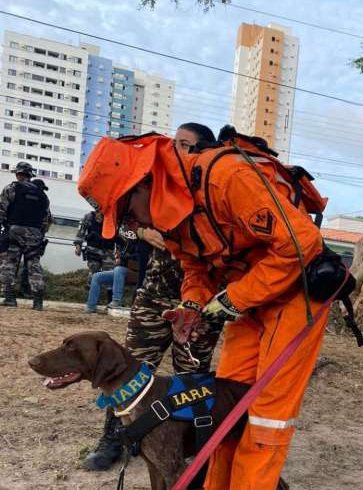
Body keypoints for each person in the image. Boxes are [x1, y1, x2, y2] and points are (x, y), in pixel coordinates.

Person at [78, 126, 328, 489]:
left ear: (145, 184)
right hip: (250, 301)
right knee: (225, 408)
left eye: (128, 214)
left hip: (295, 294)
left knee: (265, 417)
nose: (135, 226)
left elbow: (302, 245)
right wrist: (192, 304)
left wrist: (233, 299)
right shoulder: (173, 212)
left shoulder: (227, 178)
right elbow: (196, 267)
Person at [81, 123, 225, 472]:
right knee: (125, 368)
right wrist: (144, 230)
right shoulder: (154, 184)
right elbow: (114, 218)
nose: (175, 148)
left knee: (190, 377)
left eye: (184, 144)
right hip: (155, 295)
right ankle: (115, 438)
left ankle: (185, 440)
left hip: (201, 305)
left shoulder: (210, 191)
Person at [0, 162, 51, 310]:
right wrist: (38, 234)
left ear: (18, 174)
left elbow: (1, 210)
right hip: (34, 235)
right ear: (30, 175)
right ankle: (38, 301)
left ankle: (9, 298)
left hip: (14, 232)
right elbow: (45, 220)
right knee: (34, 267)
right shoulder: (43, 195)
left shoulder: (11, 188)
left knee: (8, 264)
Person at [19, 179, 51, 298]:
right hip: (34, 237)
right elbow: (46, 223)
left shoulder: (21, 196)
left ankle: (10, 292)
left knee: (12, 264)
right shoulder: (43, 200)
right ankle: (28, 293)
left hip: (16, 234)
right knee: (31, 265)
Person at [74, 211, 115, 288]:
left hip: (108, 250)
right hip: (93, 249)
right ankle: (90, 293)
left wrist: (119, 250)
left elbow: (118, 233)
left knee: (108, 274)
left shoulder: (113, 216)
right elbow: (81, 232)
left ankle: (107, 295)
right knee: (93, 272)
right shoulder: (89, 217)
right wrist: (78, 246)